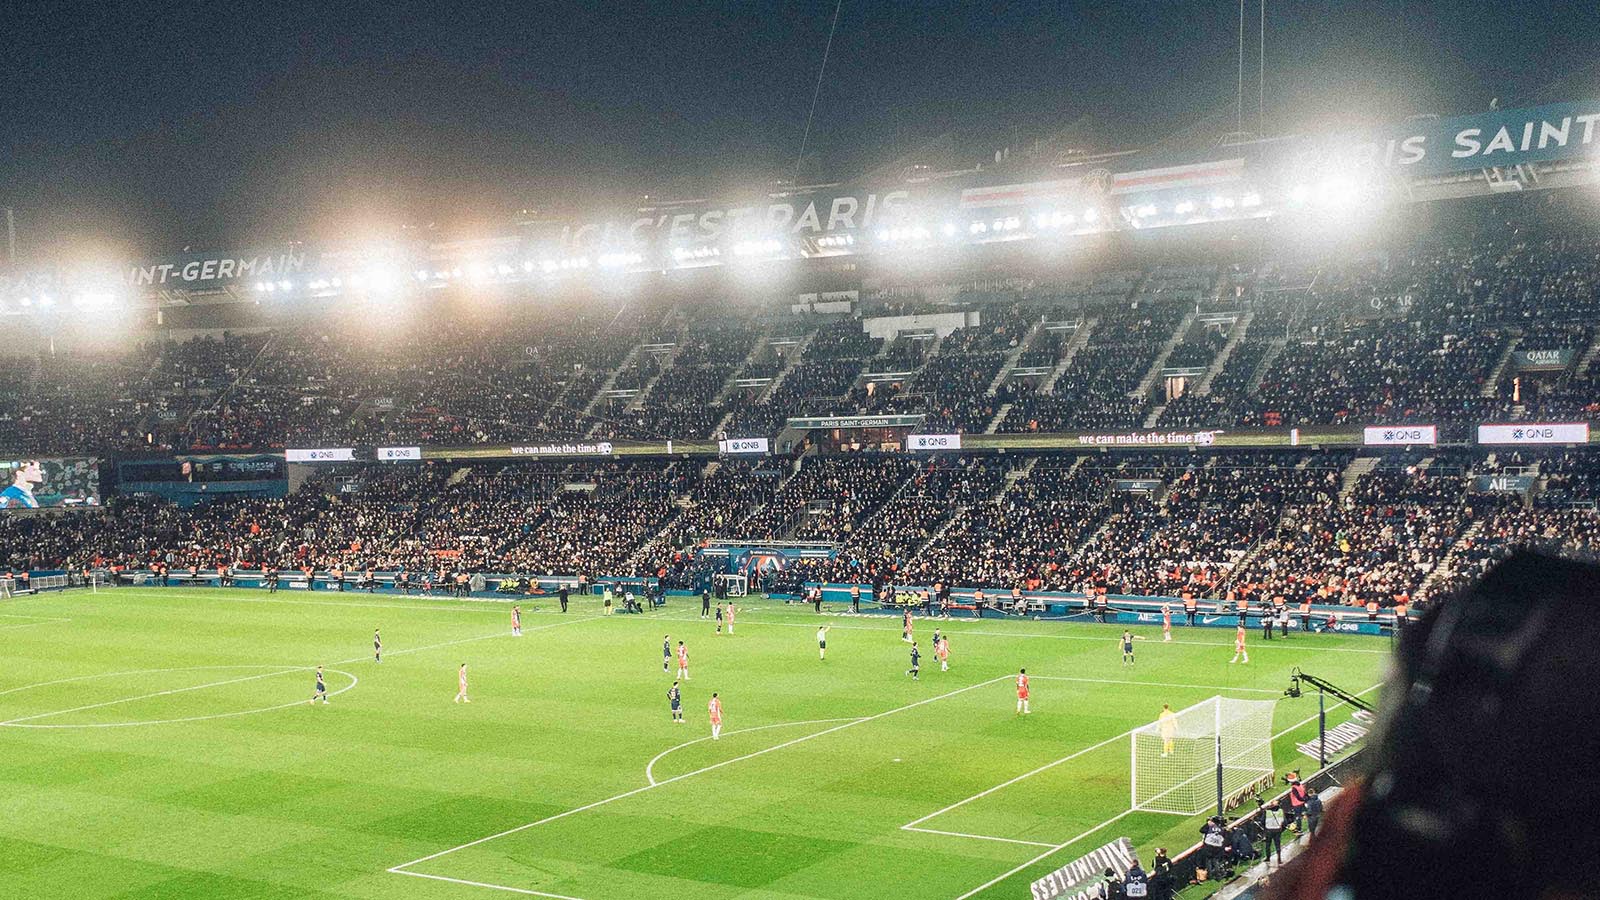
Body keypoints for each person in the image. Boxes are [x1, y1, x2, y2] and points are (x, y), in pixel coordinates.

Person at [1262, 800, 1286, 865]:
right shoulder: (1281, 811)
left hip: (1269, 830)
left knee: (1268, 845)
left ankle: (1268, 858)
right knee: (1277, 844)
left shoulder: (1267, 812)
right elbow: (1285, 822)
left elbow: (1262, 821)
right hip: (1277, 830)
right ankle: (1279, 859)